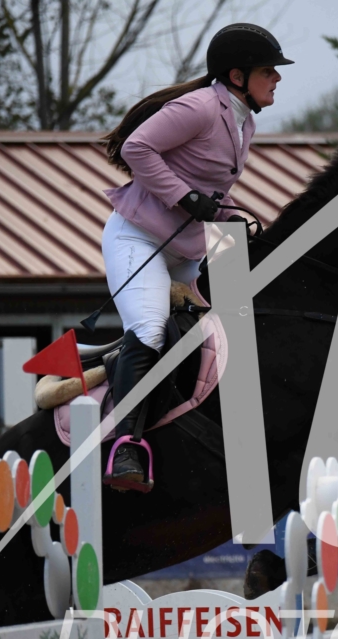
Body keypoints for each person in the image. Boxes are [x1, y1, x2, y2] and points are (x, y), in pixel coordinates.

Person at [98, 24, 292, 489]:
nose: (277, 78)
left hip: (185, 250)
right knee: (150, 329)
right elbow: (137, 148)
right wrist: (185, 198)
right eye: (268, 71)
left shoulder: (244, 121)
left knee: (228, 331)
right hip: (138, 239)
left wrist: (237, 218)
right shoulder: (200, 107)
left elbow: (211, 190)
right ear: (238, 76)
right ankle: (126, 447)